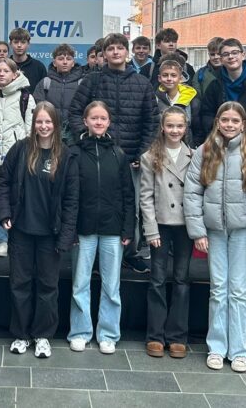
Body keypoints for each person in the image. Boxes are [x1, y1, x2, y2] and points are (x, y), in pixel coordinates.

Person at [184, 101, 246, 373]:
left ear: (243, 124)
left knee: (238, 290)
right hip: (214, 232)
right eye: (225, 120)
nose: (230, 125)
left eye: (235, 121)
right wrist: (198, 231)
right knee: (218, 288)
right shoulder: (204, 151)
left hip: (242, 233)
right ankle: (217, 347)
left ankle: (239, 350)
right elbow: (192, 193)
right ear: (218, 122)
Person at [67, 33, 158, 274]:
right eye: (111, 49)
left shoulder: (142, 84)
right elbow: (75, 113)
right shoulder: (92, 81)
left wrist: (141, 153)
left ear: (127, 53)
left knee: (132, 210)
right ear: (104, 54)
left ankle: (130, 254)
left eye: (120, 48)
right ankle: (96, 260)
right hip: (93, 157)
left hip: (129, 159)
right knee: (94, 206)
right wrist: (84, 140)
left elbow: (152, 122)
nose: (116, 52)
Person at [0, 101, 79, 359]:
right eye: (39, 122)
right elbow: (3, 180)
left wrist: (66, 235)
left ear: (55, 124)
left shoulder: (65, 156)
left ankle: (42, 336)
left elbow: (71, 200)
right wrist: (4, 213)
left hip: (50, 235)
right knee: (19, 284)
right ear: (33, 124)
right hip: (21, 230)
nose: (43, 126)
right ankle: (21, 335)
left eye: (48, 122)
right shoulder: (21, 149)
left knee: (47, 287)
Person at [68, 101, 135, 356]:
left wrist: (128, 228)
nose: (98, 122)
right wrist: (70, 229)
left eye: (103, 118)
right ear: (85, 121)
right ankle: (80, 332)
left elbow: (128, 195)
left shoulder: (118, 154)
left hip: (112, 230)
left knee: (111, 285)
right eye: (93, 118)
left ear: (109, 122)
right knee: (80, 283)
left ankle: (107, 333)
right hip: (83, 229)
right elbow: (70, 195)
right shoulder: (73, 152)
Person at [139, 106, 194, 359]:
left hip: (185, 225)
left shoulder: (194, 156)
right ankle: (156, 336)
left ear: (185, 128)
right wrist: (150, 230)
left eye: (179, 126)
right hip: (160, 225)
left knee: (181, 280)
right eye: (170, 126)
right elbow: (146, 197)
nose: (174, 130)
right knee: (158, 280)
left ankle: (177, 336)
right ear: (162, 127)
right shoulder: (150, 156)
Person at [0, 58, 34, 257]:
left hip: (18, 153)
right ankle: (0, 238)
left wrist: (25, 146)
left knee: (18, 195)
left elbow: (31, 127)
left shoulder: (25, 96)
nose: (1, 74)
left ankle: (17, 237)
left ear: (14, 74)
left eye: (5, 71)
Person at [195, 38, 246, 144]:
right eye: (226, 54)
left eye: (235, 53)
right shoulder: (214, 87)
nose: (231, 57)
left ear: (243, 55)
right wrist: (221, 132)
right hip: (220, 142)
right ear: (222, 59)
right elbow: (206, 115)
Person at [32, 43, 86, 142]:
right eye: (61, 59)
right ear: (54, 62)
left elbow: (86, 109)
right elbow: (38, 108)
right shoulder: (45, 82)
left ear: (73, 63)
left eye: (68, 59)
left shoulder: (81, 82)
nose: (65, 62)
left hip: (74, 134)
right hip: (49, 132)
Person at [154, 57, 198, 126]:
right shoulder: (154, 99)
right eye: (165, 75)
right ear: (159, 78)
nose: (169, 79)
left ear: (180, 78)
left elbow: (196, 126)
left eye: (173, 75)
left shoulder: (191, 99)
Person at [192, 36, 225, 108]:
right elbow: (197, 97)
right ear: (208, 54)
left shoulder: (232, 72)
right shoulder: (200, 74)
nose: (216, 57)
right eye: (212, 54)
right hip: (206, 111)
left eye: (219, 54)